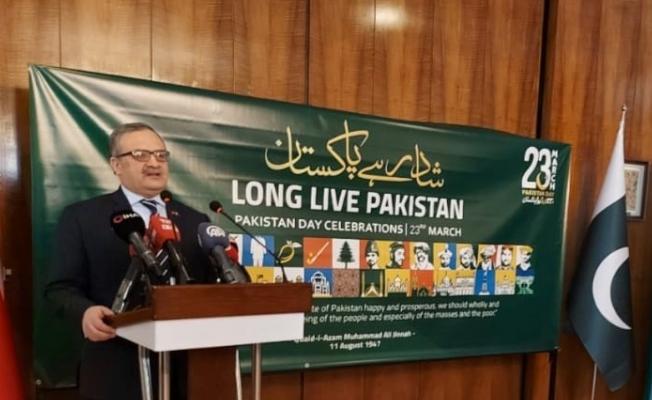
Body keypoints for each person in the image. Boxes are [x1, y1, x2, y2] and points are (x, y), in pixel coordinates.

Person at [45, 123, 211, 400]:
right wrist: (85, 312)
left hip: (187, 372)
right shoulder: (83, 217)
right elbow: (60, 288)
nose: (154, 163)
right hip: (115, 368)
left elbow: (208, 288)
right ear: (116, 165)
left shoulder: (196, 221)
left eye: (161, 155)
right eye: (140, 155)